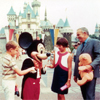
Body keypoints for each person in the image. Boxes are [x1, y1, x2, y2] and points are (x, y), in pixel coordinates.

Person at [74, 27, 100, 100]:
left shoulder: (95, 42)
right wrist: (75, 74)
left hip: (90, 74)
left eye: (78, 34)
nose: (77, 37)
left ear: (84, 33)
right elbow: (77, 61)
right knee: (85, 96)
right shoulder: (79, 47)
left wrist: (91, 66)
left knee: (89, 96)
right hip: (81, 75)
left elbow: (99, 56)